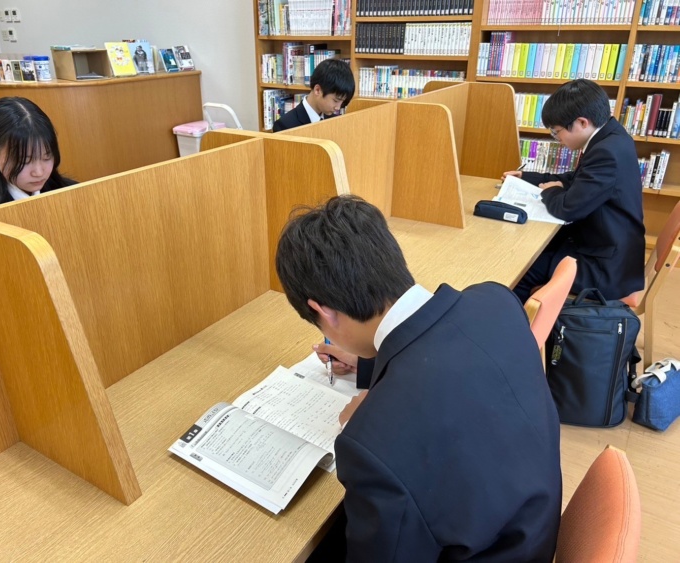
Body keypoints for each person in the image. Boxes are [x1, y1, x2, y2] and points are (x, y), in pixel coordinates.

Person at [276, 195, 562, 562]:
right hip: (527, 533)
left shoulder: (371, 446)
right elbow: (450, 367)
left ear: (323, 311)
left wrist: (371, 421)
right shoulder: (496, 301)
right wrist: (371, 366)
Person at [502, 79, 645, 303]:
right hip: (607, 245)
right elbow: (578, 179)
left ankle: (515, 332)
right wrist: (530, 178)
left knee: (521, 270)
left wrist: (547, 192)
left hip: (604, 265)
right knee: (532, 253)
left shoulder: (606, 152)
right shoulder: (610, 136)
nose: (557, 139)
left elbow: (568, 208)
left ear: (581, 122)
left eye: (556, 132)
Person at [272, 58, 354, 132]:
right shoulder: (285, 126)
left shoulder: (335, 120)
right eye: (335, 100)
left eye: (342, 102)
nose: (338, 108)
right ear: (317, 90)